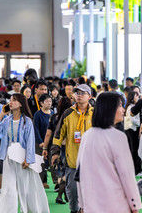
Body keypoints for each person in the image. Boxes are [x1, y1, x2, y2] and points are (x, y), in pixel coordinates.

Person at [77, 92, 142, 213]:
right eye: (120, 106)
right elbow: (126, 175)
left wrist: (82, 203)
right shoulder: (118, 137)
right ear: (110, 109)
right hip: (116, 204)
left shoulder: (87, 136)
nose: (123, 110)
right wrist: (134, 204)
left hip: (92, 205)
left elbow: (80, 172)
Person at [0, 93, 49, 213]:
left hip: (22, 158)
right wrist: (1, 115)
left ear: (21, 104)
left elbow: (30, 142)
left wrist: (28, 159)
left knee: (25, 188)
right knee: (9, 188)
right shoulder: (7, 120)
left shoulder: (27, 121)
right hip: (9, 158)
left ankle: (26, 210)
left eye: (14, 100)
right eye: (10, 100)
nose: (11, 102)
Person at [50, 84, 94, 213]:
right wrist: (55, 152)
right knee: (73, 194)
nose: (79, 95)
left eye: (83, 93)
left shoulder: (95, 113)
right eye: (77, 93)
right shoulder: (68, 113)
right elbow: (58, 134)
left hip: (91, 163)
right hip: (72, 161)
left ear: (89, 96)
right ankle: (74, 210)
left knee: (89, 195)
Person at [33, 93, 53, 188]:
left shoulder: (52, 113)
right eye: (47, 101)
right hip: (40, 143)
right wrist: (40, 142)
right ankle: (42, 182)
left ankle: (57, 182)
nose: (49, 103)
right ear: (41, 103)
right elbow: (35, 129)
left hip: (51, 142)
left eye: (50, 101)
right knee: (41, 163)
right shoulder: (38, 114)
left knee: (52, 161)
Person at [123, 88, 142, 175]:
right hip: (133, 130)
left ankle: (134, 169)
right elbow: (133, 120)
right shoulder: (132, 107)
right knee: (135, 150)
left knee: (132, 149)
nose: (138, 97)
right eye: (136, 96)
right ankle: (136, 169)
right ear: (132, 98)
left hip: (129, 130)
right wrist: (141, 123)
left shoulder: (128, 106)